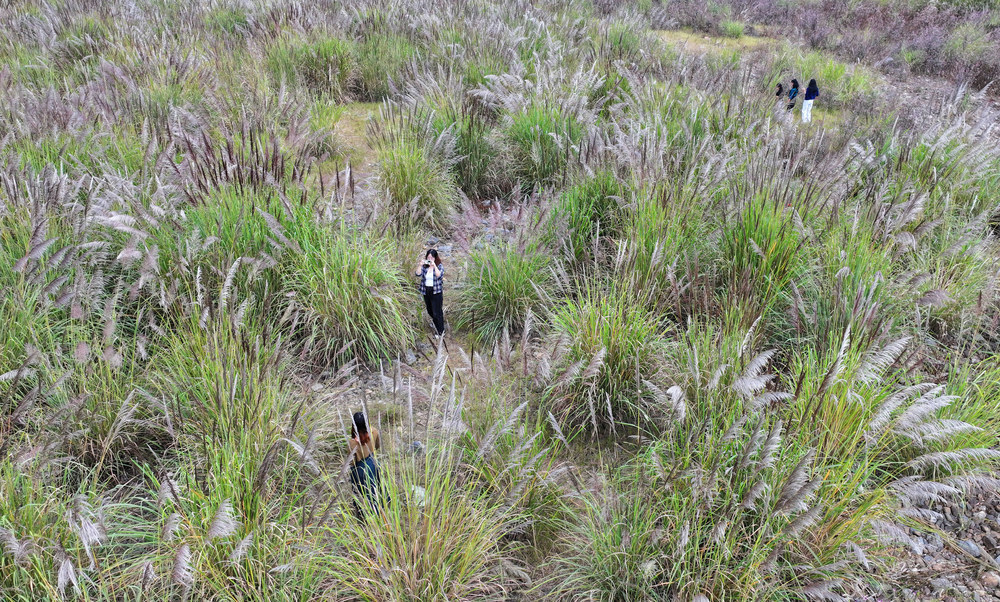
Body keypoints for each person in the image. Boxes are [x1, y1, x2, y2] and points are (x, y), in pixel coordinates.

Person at [348, 411, 381, 516]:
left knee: (361, 492)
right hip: (373, 463)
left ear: (354, 426)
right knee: (376, 486)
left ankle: (363, 512)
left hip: (360, 470)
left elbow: (352, 462)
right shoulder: (374, 432)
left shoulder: (352, 443)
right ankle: (379, 508)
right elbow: (377, 446)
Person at [415, 249, 445, 336]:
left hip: (436, 291)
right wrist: (420, 265)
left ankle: (440, 331)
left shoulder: (439, 266)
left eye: (432, 257)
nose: (430, 259)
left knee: (437, 312)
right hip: (426, 291)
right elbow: (417, 274)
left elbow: (439, 275)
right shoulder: (425, 267)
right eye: (428, 257)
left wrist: (434, 266)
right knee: (429, 310)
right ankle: (437, 323)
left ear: (435, 258)